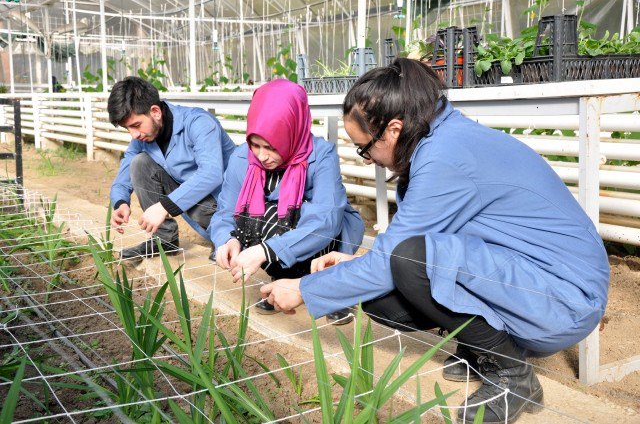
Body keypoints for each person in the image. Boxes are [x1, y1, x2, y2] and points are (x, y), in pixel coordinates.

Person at [260, 59, 609, 423]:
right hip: (525, 277)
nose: (367, 161)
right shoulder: (433, 140)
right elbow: (399, 247)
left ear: (393, 129)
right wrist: (349, 269)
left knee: (409, 260)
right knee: (381, 295)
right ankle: (481, 349)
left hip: (564, 298)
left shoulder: (446, 156)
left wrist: (304, 287)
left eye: (365, 149)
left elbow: (400, 255)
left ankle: (512, 377)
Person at [210, 78, 364, 323]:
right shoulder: (243, 158)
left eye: (271, 146)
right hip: (281, 235)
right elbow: (225, 211)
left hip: (325, 239)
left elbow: (326, 219)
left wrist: (264, 251)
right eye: (255, 144)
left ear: (291, 130)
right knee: (255, 216)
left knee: (281, 216)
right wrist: (224, 239)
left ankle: (333, 289)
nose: (261, 156)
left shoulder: (320, 154)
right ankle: (282, 282)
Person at [109, 76, 236, 260]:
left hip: (228, 208)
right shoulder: (142, 139)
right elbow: (124, 173)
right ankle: (164, 240)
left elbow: (211, 174)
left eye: (136, 125)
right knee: (139, 163)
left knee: (197, 186)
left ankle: (228, 238)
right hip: (197, 208)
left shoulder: (198, 122)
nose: (134, 134)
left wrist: (164, 206)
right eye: (128, 128)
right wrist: (120, 202)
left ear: (155, 112)